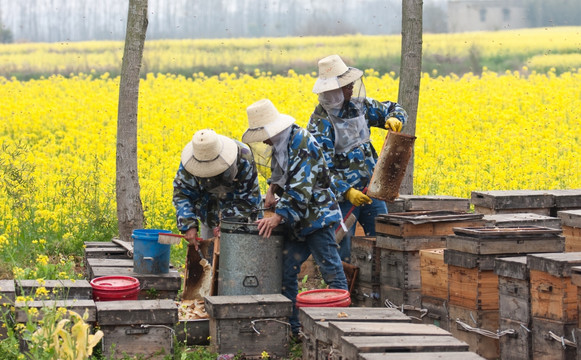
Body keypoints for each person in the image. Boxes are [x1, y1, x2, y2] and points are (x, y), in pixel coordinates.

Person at [242, 98, 348, 337]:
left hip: (317, 220)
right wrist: (271, 191)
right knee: (286, 271)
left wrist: (278, 217)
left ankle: (341, 327)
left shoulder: (301, 141)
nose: (263, 140)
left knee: (331, 270)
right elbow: (280, 174)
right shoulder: (283, 143)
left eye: (263, 134)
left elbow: (301, 186)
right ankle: (293, 328)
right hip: (298, 223)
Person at [307, 54, 408, 263]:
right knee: (342, 251)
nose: (351, 86)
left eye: (350, 82)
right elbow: (320, 169)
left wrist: (395, 118)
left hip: (372, 189)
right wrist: (346, 191)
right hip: (342, 200)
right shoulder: (320, 123)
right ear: (332, 89)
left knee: (383, 241)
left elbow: (393, 107)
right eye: (345, 85)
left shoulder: (359, 106)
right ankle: (343, 292)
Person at [173, 129, 262, 254]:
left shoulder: (243, 157)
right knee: (209, 261)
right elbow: (182, 194)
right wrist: (188, 225)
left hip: (242, 219)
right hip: (208, 214)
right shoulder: (189, 164)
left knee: (243, 260)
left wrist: (227, 224)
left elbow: (247, 199)